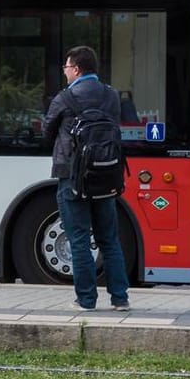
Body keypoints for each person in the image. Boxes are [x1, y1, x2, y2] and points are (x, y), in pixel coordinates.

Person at [43, 46, 130, 311]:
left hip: (73, 177)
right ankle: (120, 299)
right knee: (109, 239)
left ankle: (86, 300)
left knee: (79, 239)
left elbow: (47, 131)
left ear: (77, 69)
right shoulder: (111, 96)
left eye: (67, 67)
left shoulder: (65, 98)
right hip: (107, 174)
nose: (65, 71)